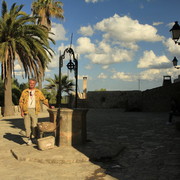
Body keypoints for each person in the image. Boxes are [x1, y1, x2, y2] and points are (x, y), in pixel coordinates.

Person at [19, 78, 53, 145]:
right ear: (29, 83)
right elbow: (21, 102)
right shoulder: (24, 92)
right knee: (27, 126)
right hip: (26, 110)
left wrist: (49, 106)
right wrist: (21, 111)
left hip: (34, 110)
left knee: (34, 125)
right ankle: (29, 139)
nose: (31, 84)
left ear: (35, 84)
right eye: (30, 83)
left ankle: (34, 138)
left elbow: (43, 100)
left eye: (33, 83)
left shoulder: (38, 92)